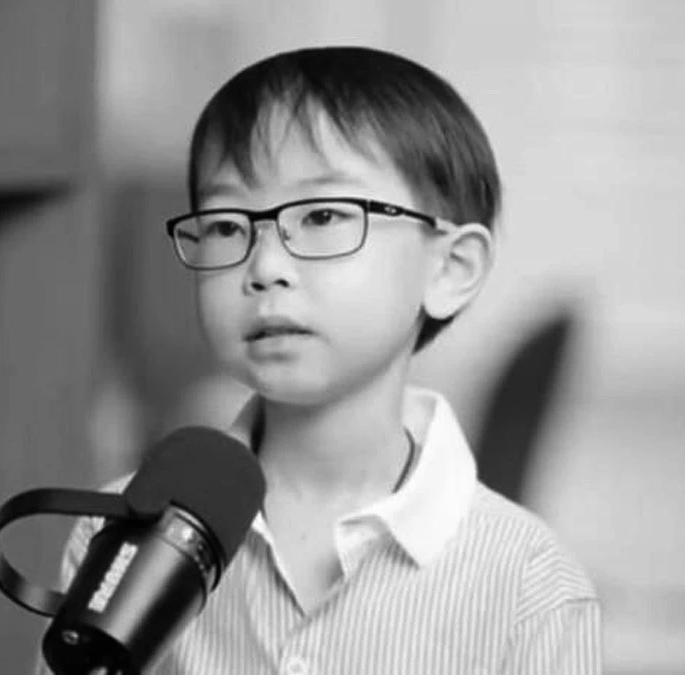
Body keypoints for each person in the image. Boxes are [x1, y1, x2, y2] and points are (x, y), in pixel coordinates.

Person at [42, 45, 601, 674]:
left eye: (324, 215)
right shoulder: (116, 530)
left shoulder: (531, 586)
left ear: (450, 268)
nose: (265, 266)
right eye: (225, 225)